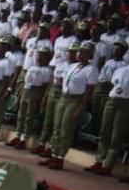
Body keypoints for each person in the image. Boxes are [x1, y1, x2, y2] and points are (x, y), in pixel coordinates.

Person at [88, 44, 129, 176]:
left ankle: (108, 165)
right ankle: (99, 160)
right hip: (112, 100)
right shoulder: (121, 69)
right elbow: (114, 84)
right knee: (105, 131)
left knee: (117, 135)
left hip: (128, 103)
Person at [41, 42, 98, 170]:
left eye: (84, 52)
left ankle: (60, 158)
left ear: (90, 55)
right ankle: (53, 154)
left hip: (75, 100)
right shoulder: (73, 66)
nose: (80, 54)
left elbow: (89, 91)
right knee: (57, 126)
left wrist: (81, 107)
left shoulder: (92, 69)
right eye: (80, 51)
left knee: (66, 129)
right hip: (64, 97)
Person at [7, 46, 53, 149]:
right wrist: (20, 96)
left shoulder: (47, 71)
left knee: (29, 116)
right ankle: (18, 135)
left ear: (47, 57)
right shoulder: (32, 68)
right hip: (26, 91)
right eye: (39, 55)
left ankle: (24, 138)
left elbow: (45, 87)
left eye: (42, 56)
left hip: (35, 92)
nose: (39, 57)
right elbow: (25, 83)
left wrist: (41, 99)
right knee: (20, 115)